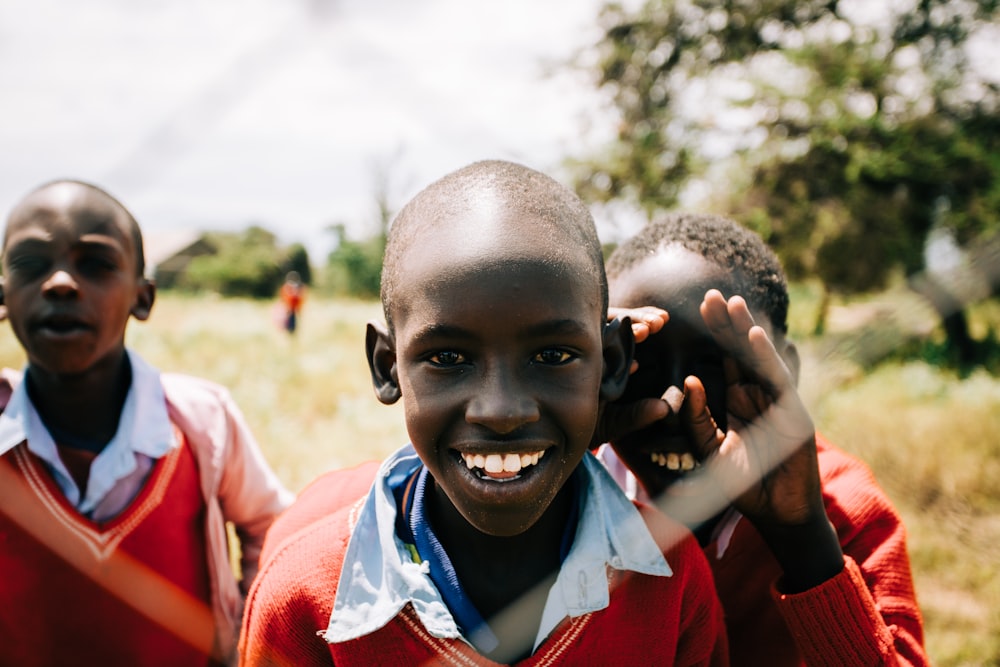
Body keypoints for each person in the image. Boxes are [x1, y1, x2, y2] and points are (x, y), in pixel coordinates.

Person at [239, 161, 728, 666]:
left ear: (614, 363)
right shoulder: (303, 599)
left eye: (553, 356)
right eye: (448, 358)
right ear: (388, 368)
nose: (502, 411)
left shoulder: (669, 580)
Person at [598, 212, 928, 666]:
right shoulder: (567, 487)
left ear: (785, 368)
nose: (677, 401)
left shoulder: (846, 513)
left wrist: (804, 541)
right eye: (640, 365)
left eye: (714, 366)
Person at [0, 180, 294, 666]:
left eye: (95, 264)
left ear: (143, 298)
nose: (59, 283)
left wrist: (247, 643)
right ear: (5, 295)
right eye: (31, 264)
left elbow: (272, 525)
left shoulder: (202, 423)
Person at [278, 271, 305, 336]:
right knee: (287, 325)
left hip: (293, 310)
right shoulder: (286, 288)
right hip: (287, 310)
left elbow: (299, 300)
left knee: (292, 326)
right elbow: (284, 298)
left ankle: (291, 333)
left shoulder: (297, 290)